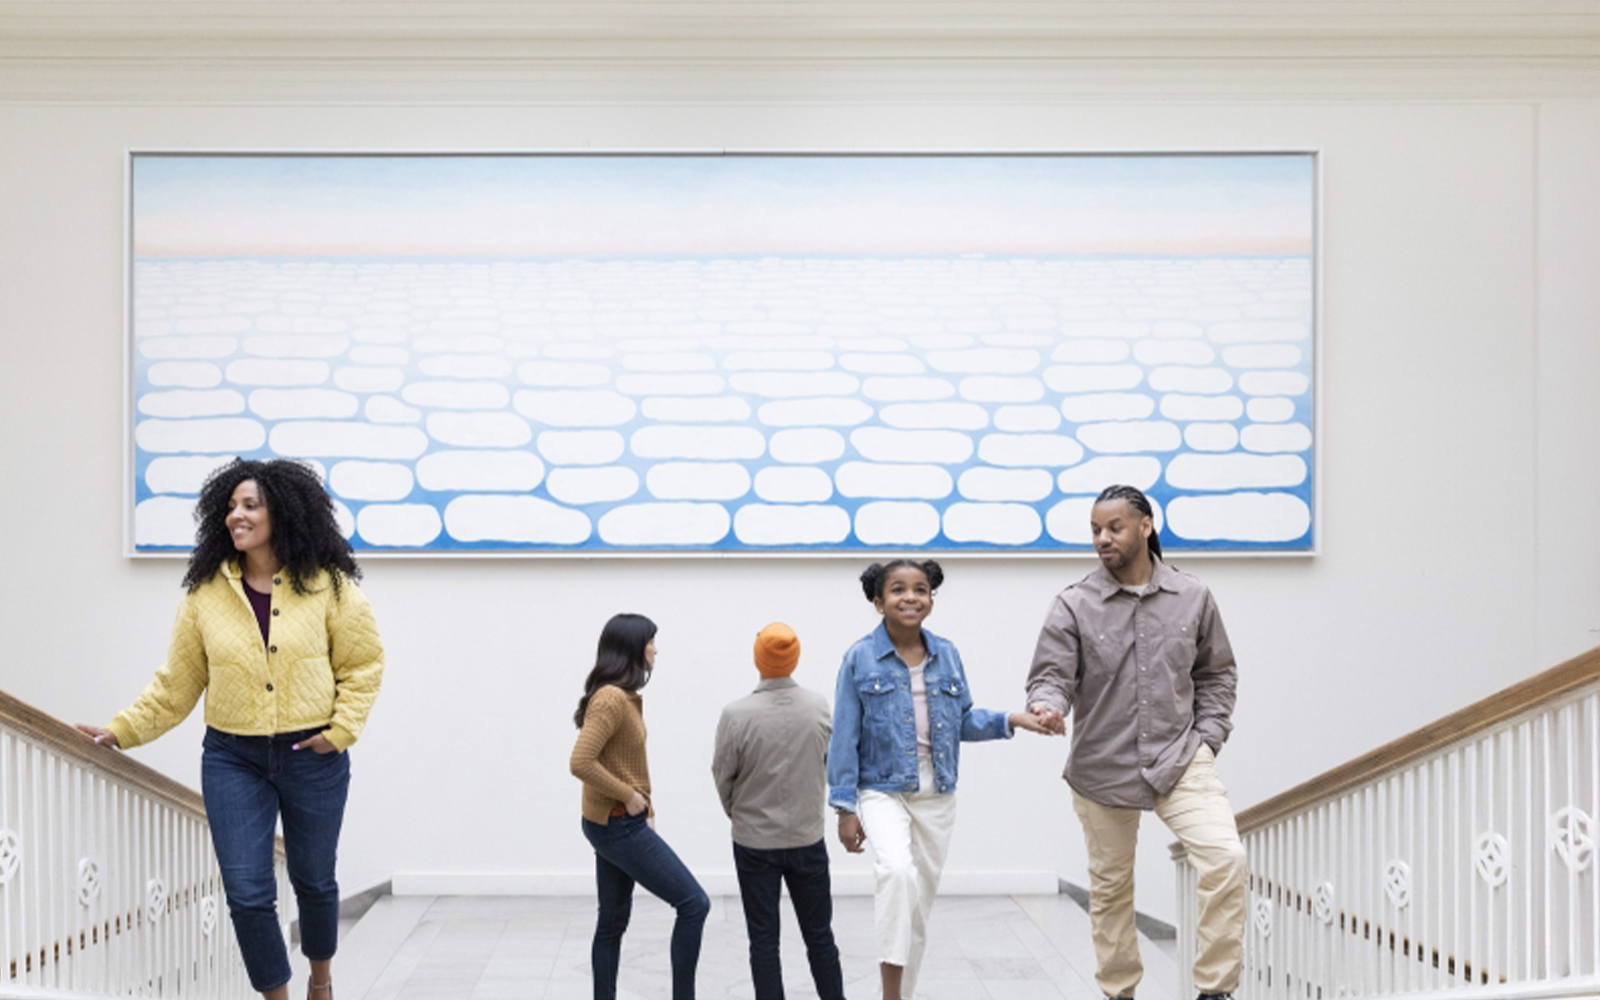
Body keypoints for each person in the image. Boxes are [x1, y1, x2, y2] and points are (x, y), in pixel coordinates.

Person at [77, 458, 384, 1000]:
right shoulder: (205, 596)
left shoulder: (329, 587)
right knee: (246, 890)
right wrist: (120, 730)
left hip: (312, 753)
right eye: (231, 506)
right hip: (232, 757)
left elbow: (363, 664)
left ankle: (321, 981)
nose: (235, 516)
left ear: (284, 513)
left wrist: (339, 732)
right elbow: (178, 684)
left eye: (250, 505)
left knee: (314, 880)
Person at [1025, 484, 1247, 1000]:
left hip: (1180, 758)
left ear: (1145, 526)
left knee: (1226, 859)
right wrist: (1048, 704)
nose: (1103, 538)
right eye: (1095, 530)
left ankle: (1215, 991)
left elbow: (1217, 674)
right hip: (1101, 766)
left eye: (1114, 527)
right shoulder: (1074, 603)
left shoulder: (1193, 596)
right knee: (1110, 891)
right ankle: (1119, 991)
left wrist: (1208, 740)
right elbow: (1050, 674)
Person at [829, 559, 1053, 1000]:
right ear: (878, 602)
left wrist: (1014, 719)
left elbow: (962, 720)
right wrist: (844, 807)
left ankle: (899, 996)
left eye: (920, 589)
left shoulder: (947, 653)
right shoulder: (858, 658)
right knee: (895, 872)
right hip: (881, 788)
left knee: (916, 911)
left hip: (937, 792)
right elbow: (844, 736)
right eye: (897, 590)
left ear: (931, 599)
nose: (910, 597)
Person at [569, 613, 710, 1000]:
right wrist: (631, 799)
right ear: (633, 647)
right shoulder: (612, 699)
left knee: (612, 922)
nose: (655, 649)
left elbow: (625, 762)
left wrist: (646, 809)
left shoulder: (617, 696)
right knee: (694, 904)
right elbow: (580, 761)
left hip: (612, 822)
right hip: (615, 823)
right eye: (651, 641)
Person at [712, 622, 844, 1000]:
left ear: (758, 658)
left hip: (754, 842)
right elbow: (829, 763)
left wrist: (739, 813)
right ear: (795, 658)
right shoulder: (818, 706)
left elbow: (722, 775)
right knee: (820, 936)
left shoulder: (736, 714)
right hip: (807, 836)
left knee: (763, 940)